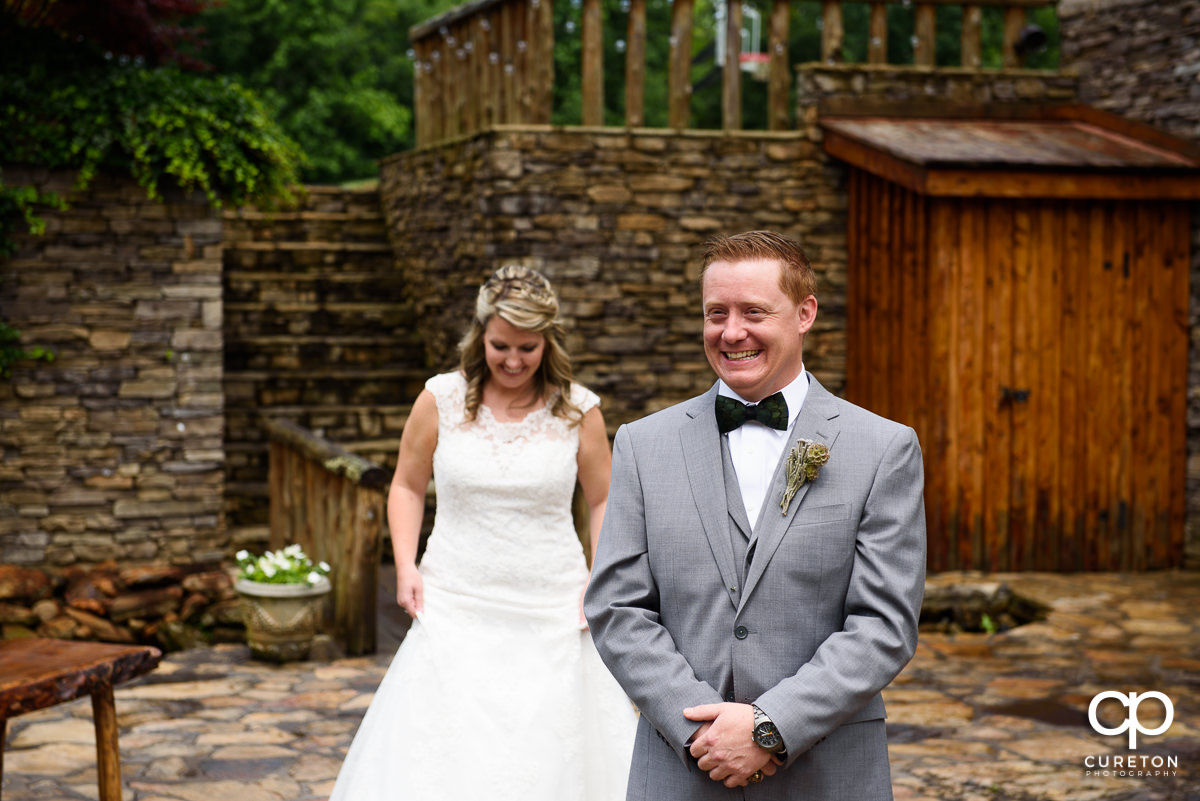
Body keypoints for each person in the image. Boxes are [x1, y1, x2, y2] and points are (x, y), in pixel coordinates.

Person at [584, 231, 926, 800]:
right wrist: (705, 735)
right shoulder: (643, 445)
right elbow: (618, 608)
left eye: (753, 312)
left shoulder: (883, 448)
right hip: (683, 768)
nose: (731, 331)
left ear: (804, 313)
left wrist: (770, 727)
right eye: (715, 312)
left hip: (827, 773)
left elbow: (884, 624)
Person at [330, 265, 636, 800]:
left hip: (553, 602)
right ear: (480, 335)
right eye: (501, 346)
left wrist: (599, 575)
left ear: (548, 342)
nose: (513, 361)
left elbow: (603, 497)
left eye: (527, 347)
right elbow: (405, 485)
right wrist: (404, 566)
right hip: (455, 595)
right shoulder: (440, 399)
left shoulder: (578, 410)